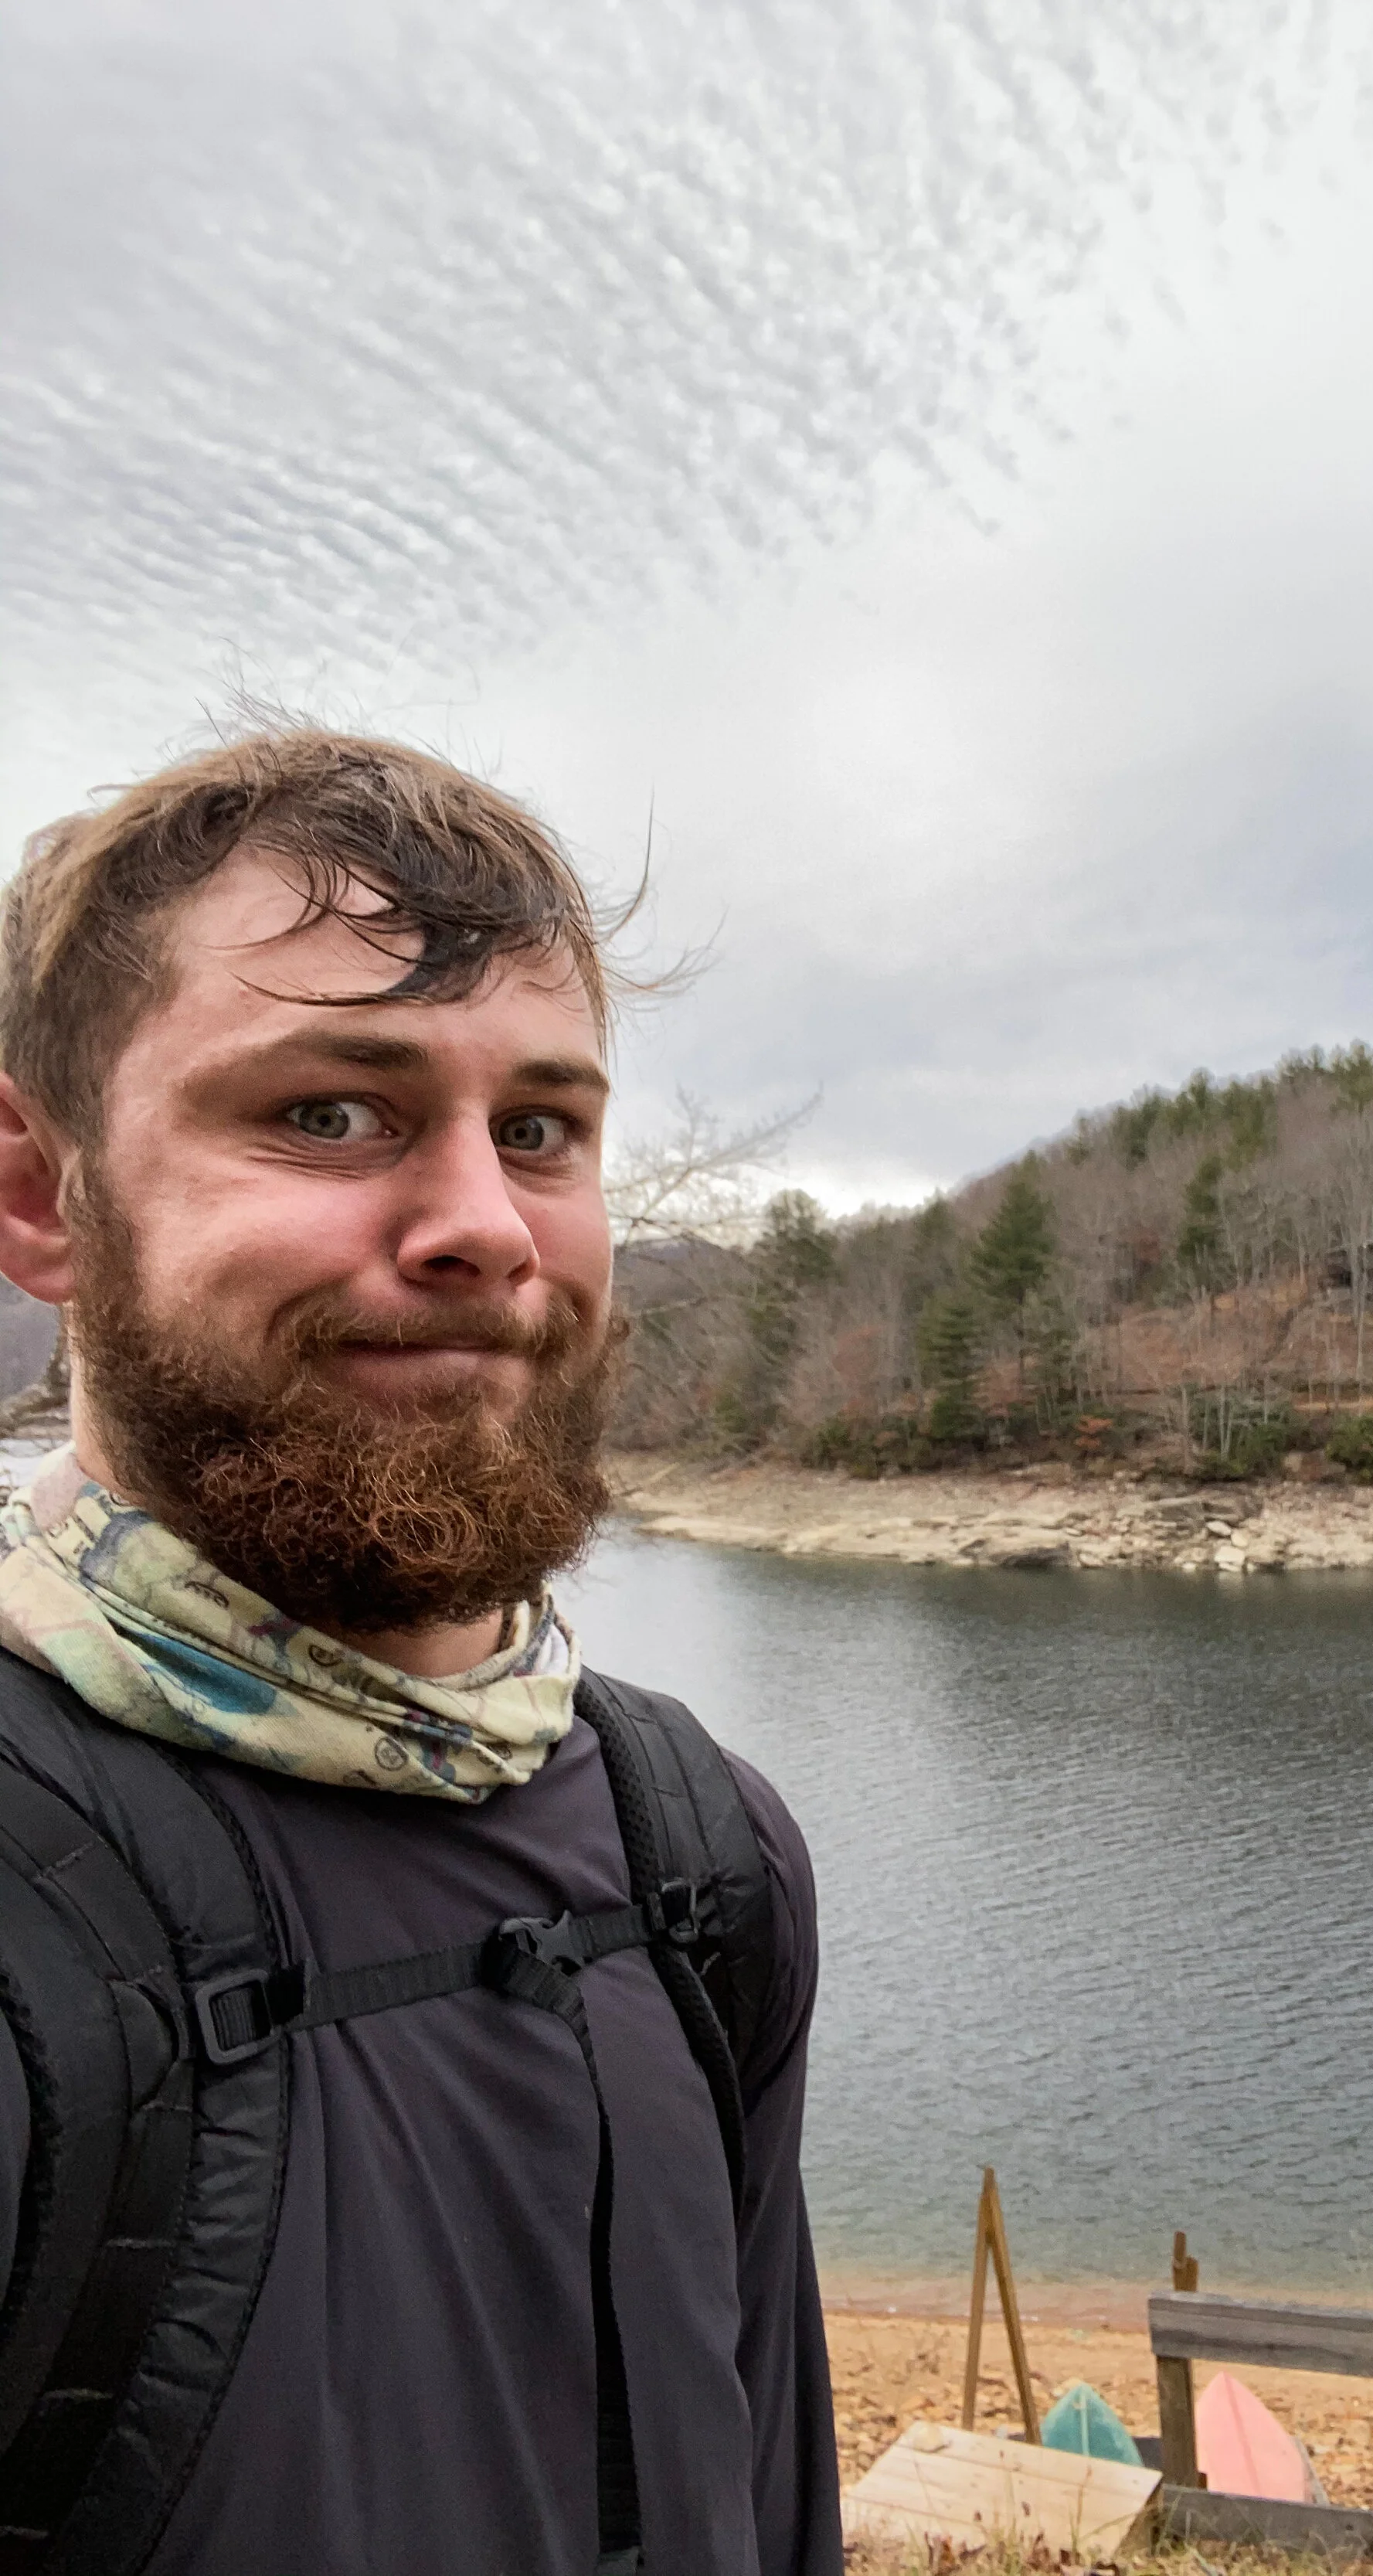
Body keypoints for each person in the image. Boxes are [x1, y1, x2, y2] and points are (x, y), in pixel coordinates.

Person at [0, 730, 840, 2575]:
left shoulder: (699, 1850)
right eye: (327, 1110)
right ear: (44, 1196)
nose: (481, 1226)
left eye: (539, 1129)